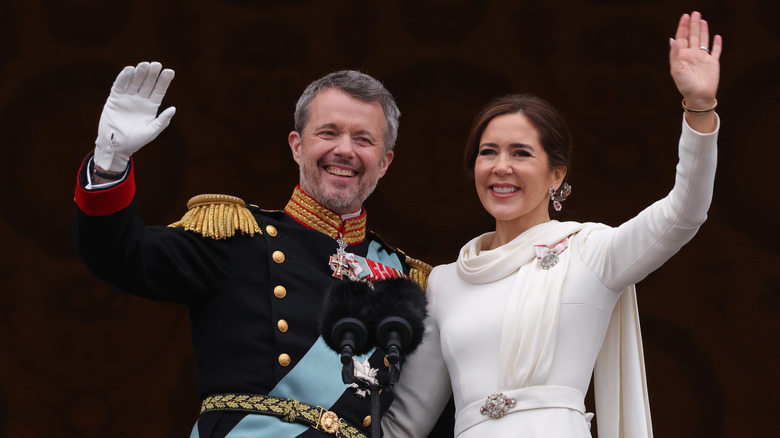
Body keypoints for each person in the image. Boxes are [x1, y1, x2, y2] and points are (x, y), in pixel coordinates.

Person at [381, 11, 720, 438]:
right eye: (488, 152)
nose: (501, 167)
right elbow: (405, 426)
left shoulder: (591, 251)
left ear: (557, 174)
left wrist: (700, 108)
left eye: (521, 153)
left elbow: (684, 212)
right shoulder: (445, 283)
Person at [73, 64, 436, 437]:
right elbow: (118, 253)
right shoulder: (238, 237)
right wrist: (109, 162)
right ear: (297, 146)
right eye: (328, 133)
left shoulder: (406, 281)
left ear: (385, 162)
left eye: (363, 139)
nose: (344, 150)